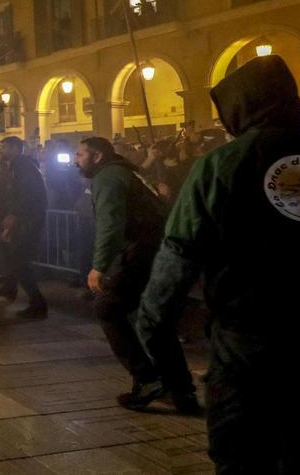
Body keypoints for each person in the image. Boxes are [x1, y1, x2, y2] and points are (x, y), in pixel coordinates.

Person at [136, 56, 300, 473]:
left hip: (246, 350)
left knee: (241, 458)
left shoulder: (220, 166)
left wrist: (157, 338)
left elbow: (178, 257)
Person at [75, 137, 197, 412]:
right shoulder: (127, 172)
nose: (75, 159)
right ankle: (181, 391)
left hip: (141, 252)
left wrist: (100, 265)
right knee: (156, 320)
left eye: (80, 153)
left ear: (96, 156)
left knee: (108, 307)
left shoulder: (108, 177)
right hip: (161, 251)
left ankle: (147, 379)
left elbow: (111, 223)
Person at [0, 136, 48, 319]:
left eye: (4, 147)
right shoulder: (20, 166)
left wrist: (14, 214)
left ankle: (38, 303)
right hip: (24, 219)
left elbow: (25, 193)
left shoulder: (22, 166)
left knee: (19, 260)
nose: (1, 151)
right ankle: (9, 287)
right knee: (2, 247)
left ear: (15, 148)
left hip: (27, 221)